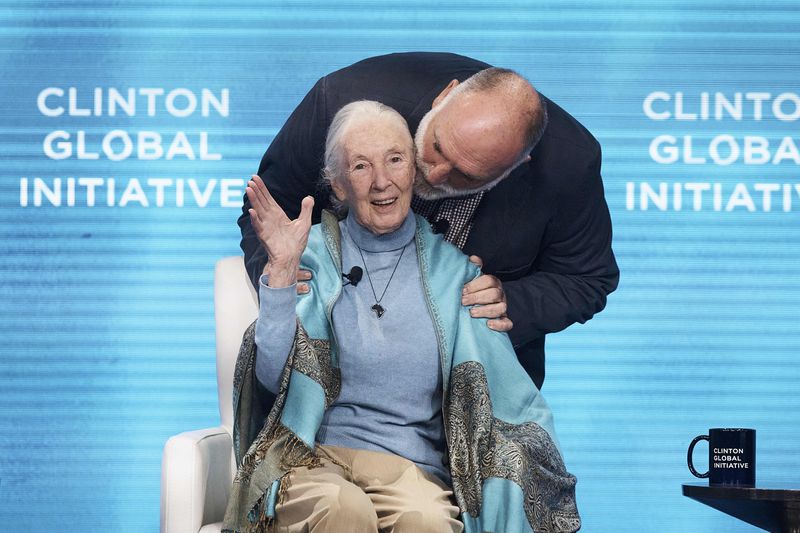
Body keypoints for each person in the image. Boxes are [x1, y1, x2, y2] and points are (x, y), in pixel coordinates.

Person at [223, 101, 580, 532]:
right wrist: (279, 274)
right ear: (337, 185)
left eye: (395, 160)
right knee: (341, 507)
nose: (381, 182)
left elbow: (511, 398)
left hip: (413, 468)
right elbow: (269, 378)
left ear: (414, 170)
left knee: (425, 520)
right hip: (312, 459)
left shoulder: (456, 276)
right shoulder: (308, 255)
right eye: (360, 166)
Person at [238, 52, 619, 390]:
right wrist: (282, 284)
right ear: (443, 96)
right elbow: (269, 213)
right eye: (437, 147)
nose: (432, 175)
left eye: (465, 176)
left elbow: (586, 278)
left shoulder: (568, 164)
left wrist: (504, 304)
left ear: (517, 166)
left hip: (474, 386)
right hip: (336, 374)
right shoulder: (340, 103)